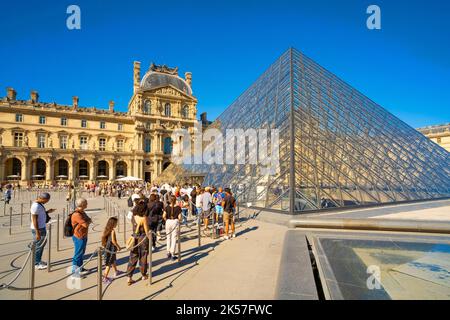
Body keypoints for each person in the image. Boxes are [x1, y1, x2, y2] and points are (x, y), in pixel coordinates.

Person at [126, 198, 150, 285]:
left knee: (133, 256)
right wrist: (150, 237)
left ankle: (129, 276)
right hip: (142, 238)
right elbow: (147, 231)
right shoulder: (144, 218)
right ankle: (143, 274)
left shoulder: (133, 216)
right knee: (143, 256)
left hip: (134, 237)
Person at [30, 193, 55, 270]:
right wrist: (37, 232)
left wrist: (47, 212)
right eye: (47, 200)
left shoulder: (39, 204)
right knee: (39, 246)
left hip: (41, 227)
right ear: (43, 198)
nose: (47, 202)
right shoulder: (36, 206)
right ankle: (36, 263)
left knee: (41, 244)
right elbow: (34, 219)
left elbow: (40, 214)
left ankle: (38, 260)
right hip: (38, 229)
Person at [71, 198, 92, 277]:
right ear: (82, 204)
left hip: (83, 235)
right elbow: (86, 224)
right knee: (77, 254)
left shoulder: (82, 212)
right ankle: (75, 272)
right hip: (78, 236)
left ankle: (80, 268)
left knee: (81, 253)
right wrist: (88, 221)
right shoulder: (77, 214)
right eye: (86, 203)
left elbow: (88, 220)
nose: (87, 204)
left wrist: (88, 221)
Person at [102, 217, 122, 284]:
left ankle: (116, 271)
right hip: (111, 248)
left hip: (108, 247)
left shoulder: (107, 229)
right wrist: (118, 247)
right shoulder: (112, 231)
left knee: (113, 260)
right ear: (113, 224)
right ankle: (105, 277)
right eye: (116, 223)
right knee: (109, 263)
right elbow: (113, 241)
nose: (117, 224)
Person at [163, 195, 181, 261]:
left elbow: (164, 216)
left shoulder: (166, 207)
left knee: (168, 237)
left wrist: (166, 220)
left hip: (168, 221)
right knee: (173, 238)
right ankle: (172, 253)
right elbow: (180, 217)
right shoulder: (178, 207)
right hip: (175, 221)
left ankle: (168, 252)